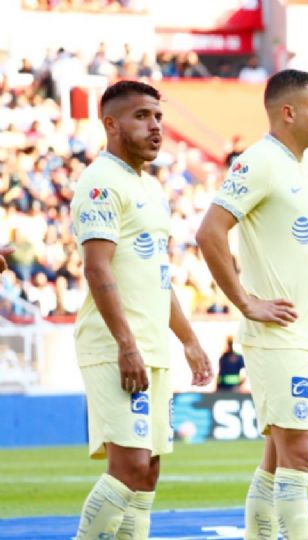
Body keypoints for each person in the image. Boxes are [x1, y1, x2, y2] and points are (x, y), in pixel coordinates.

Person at [70, 80, 213, 539]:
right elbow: (97, 268)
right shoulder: (100, 182)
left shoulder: (151, 187)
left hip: (151, 346)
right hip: (116, 346)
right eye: (141, 116)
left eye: (158, 116)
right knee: (129, 465)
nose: (155, 126)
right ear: (110, 125)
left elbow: (158, 276)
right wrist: (126, 345)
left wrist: (188, 339)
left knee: (147, 471)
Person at [196, 69, 308, 540]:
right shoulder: (259, 161)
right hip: (281, 335)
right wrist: (246, 302)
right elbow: (209, 232)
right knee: (299, 452)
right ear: (288, 112)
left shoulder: (306, 168)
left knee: (277, 457)